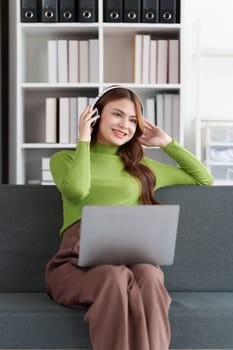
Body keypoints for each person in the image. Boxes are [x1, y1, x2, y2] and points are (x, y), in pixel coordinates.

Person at [45, 86, 213, 350]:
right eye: (117, 115)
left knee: (149, 274)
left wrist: (166, 142)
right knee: (114, 277)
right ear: (96, 116)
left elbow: (203, 179)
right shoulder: (65, 159)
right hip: (75, 263)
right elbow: (77, 190)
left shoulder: (143, 169)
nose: (125, 125)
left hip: (132, 260)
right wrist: (83, 139)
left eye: (133, 120)